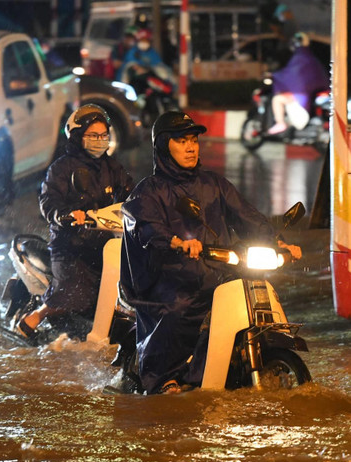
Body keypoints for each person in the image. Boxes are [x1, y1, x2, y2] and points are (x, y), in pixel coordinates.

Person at [120, 111, 302, 394]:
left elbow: (248, 217)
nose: (191, 147)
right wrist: (176, 242)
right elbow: (146, 228)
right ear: (163, 146)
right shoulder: (147, 192)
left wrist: (278, 243)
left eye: (193, 140)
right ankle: (162, 380)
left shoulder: (213, 184)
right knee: (177, 309)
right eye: (182, 141)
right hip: (169, 282)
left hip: (217, 274)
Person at [15, 104, 133, 339]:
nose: (100, 140)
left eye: (103, 135)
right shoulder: (62, 168)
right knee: (74, 294)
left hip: (105, 243)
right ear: (78, 137)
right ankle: (34, 317)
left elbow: (131, 193)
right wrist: (65, 215)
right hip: (71, 245)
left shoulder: (112, 167)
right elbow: (49, 201)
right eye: (93, 136)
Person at [267, 32, 329, 135]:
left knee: (277, 99)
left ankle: (280, 123)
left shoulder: (299, 58)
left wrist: (275, 75)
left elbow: (289, 74)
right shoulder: (312, 58)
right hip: (315, 92)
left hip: (301, 95)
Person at [117, 28, 174, 93]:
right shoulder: (133, 52)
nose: (144, 43)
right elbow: (133, 66)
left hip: (147, 82)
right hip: (132, 82)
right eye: (142, 40)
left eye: (146, 41)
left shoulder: (152, 52)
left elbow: (159, 66)